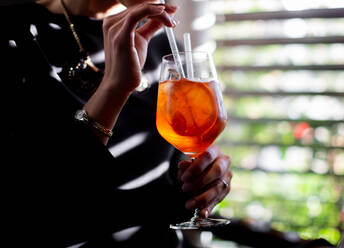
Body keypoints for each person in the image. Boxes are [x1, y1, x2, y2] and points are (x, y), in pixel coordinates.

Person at [2, 0, 232, 247]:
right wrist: (114, 87)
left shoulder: (160, 44)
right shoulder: (13, 36)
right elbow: (43, 212)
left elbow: (170, 187)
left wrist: (203, 180)